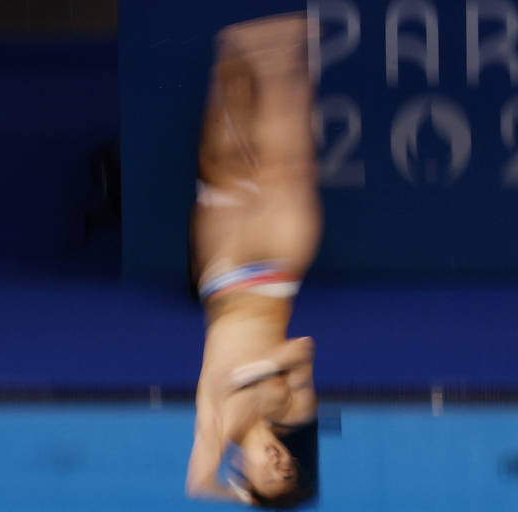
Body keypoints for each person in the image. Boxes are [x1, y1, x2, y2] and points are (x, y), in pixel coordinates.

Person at [186, 12, 321, 508]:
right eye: (289, 469)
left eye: (273, 478)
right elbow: (301, 350)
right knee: (288, 163)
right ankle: (284, 54)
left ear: (246, 475)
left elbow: (198, 483)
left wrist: (239, 497)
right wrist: (264, 368)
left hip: (225, 277)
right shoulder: (293, 408)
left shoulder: (217, 426)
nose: (281, 465)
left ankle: (234, 57)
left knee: (224, 157)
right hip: (274, 280)